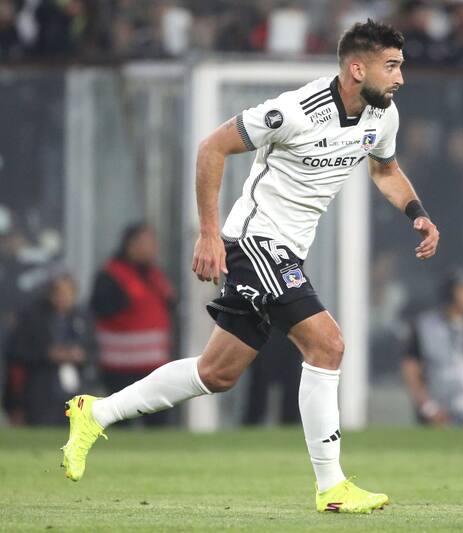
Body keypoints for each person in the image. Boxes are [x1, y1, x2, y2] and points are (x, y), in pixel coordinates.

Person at [60, 19, 440, 514]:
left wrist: (418, 214)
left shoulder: (381, 117)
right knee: (328, 344)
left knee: (216, 373)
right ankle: (332, 486)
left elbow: (385, 170)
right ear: (356, 67)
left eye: (400, 67)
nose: (400, 79)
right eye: (391, 67)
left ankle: (95, 412)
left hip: (287, 252)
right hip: (256, 243)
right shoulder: (295, 111)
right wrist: (209, 233)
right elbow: (212, 147)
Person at [90, 223, 175, 427]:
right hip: (120, 366)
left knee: (158, 425)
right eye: (146, 243)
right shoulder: (111, 275)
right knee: (121, 423)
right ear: (130, 245)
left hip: (155, 367)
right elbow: (100, 308)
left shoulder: (155, 275)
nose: (152, 248)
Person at [402, 272, 463, 427]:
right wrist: (428, 408)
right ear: (451, 292)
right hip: (440, 412)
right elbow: (411, 369)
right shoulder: (426, 325)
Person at [4, 272, 93, 425]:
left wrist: (80, 355)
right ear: (50, 294)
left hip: (76, 388)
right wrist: (47, 354)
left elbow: (94, 350)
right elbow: (16, 351)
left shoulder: (82, 318)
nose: (63, 298)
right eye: (59, 293)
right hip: (42, 389)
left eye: (68, 293)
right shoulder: (33, 317)